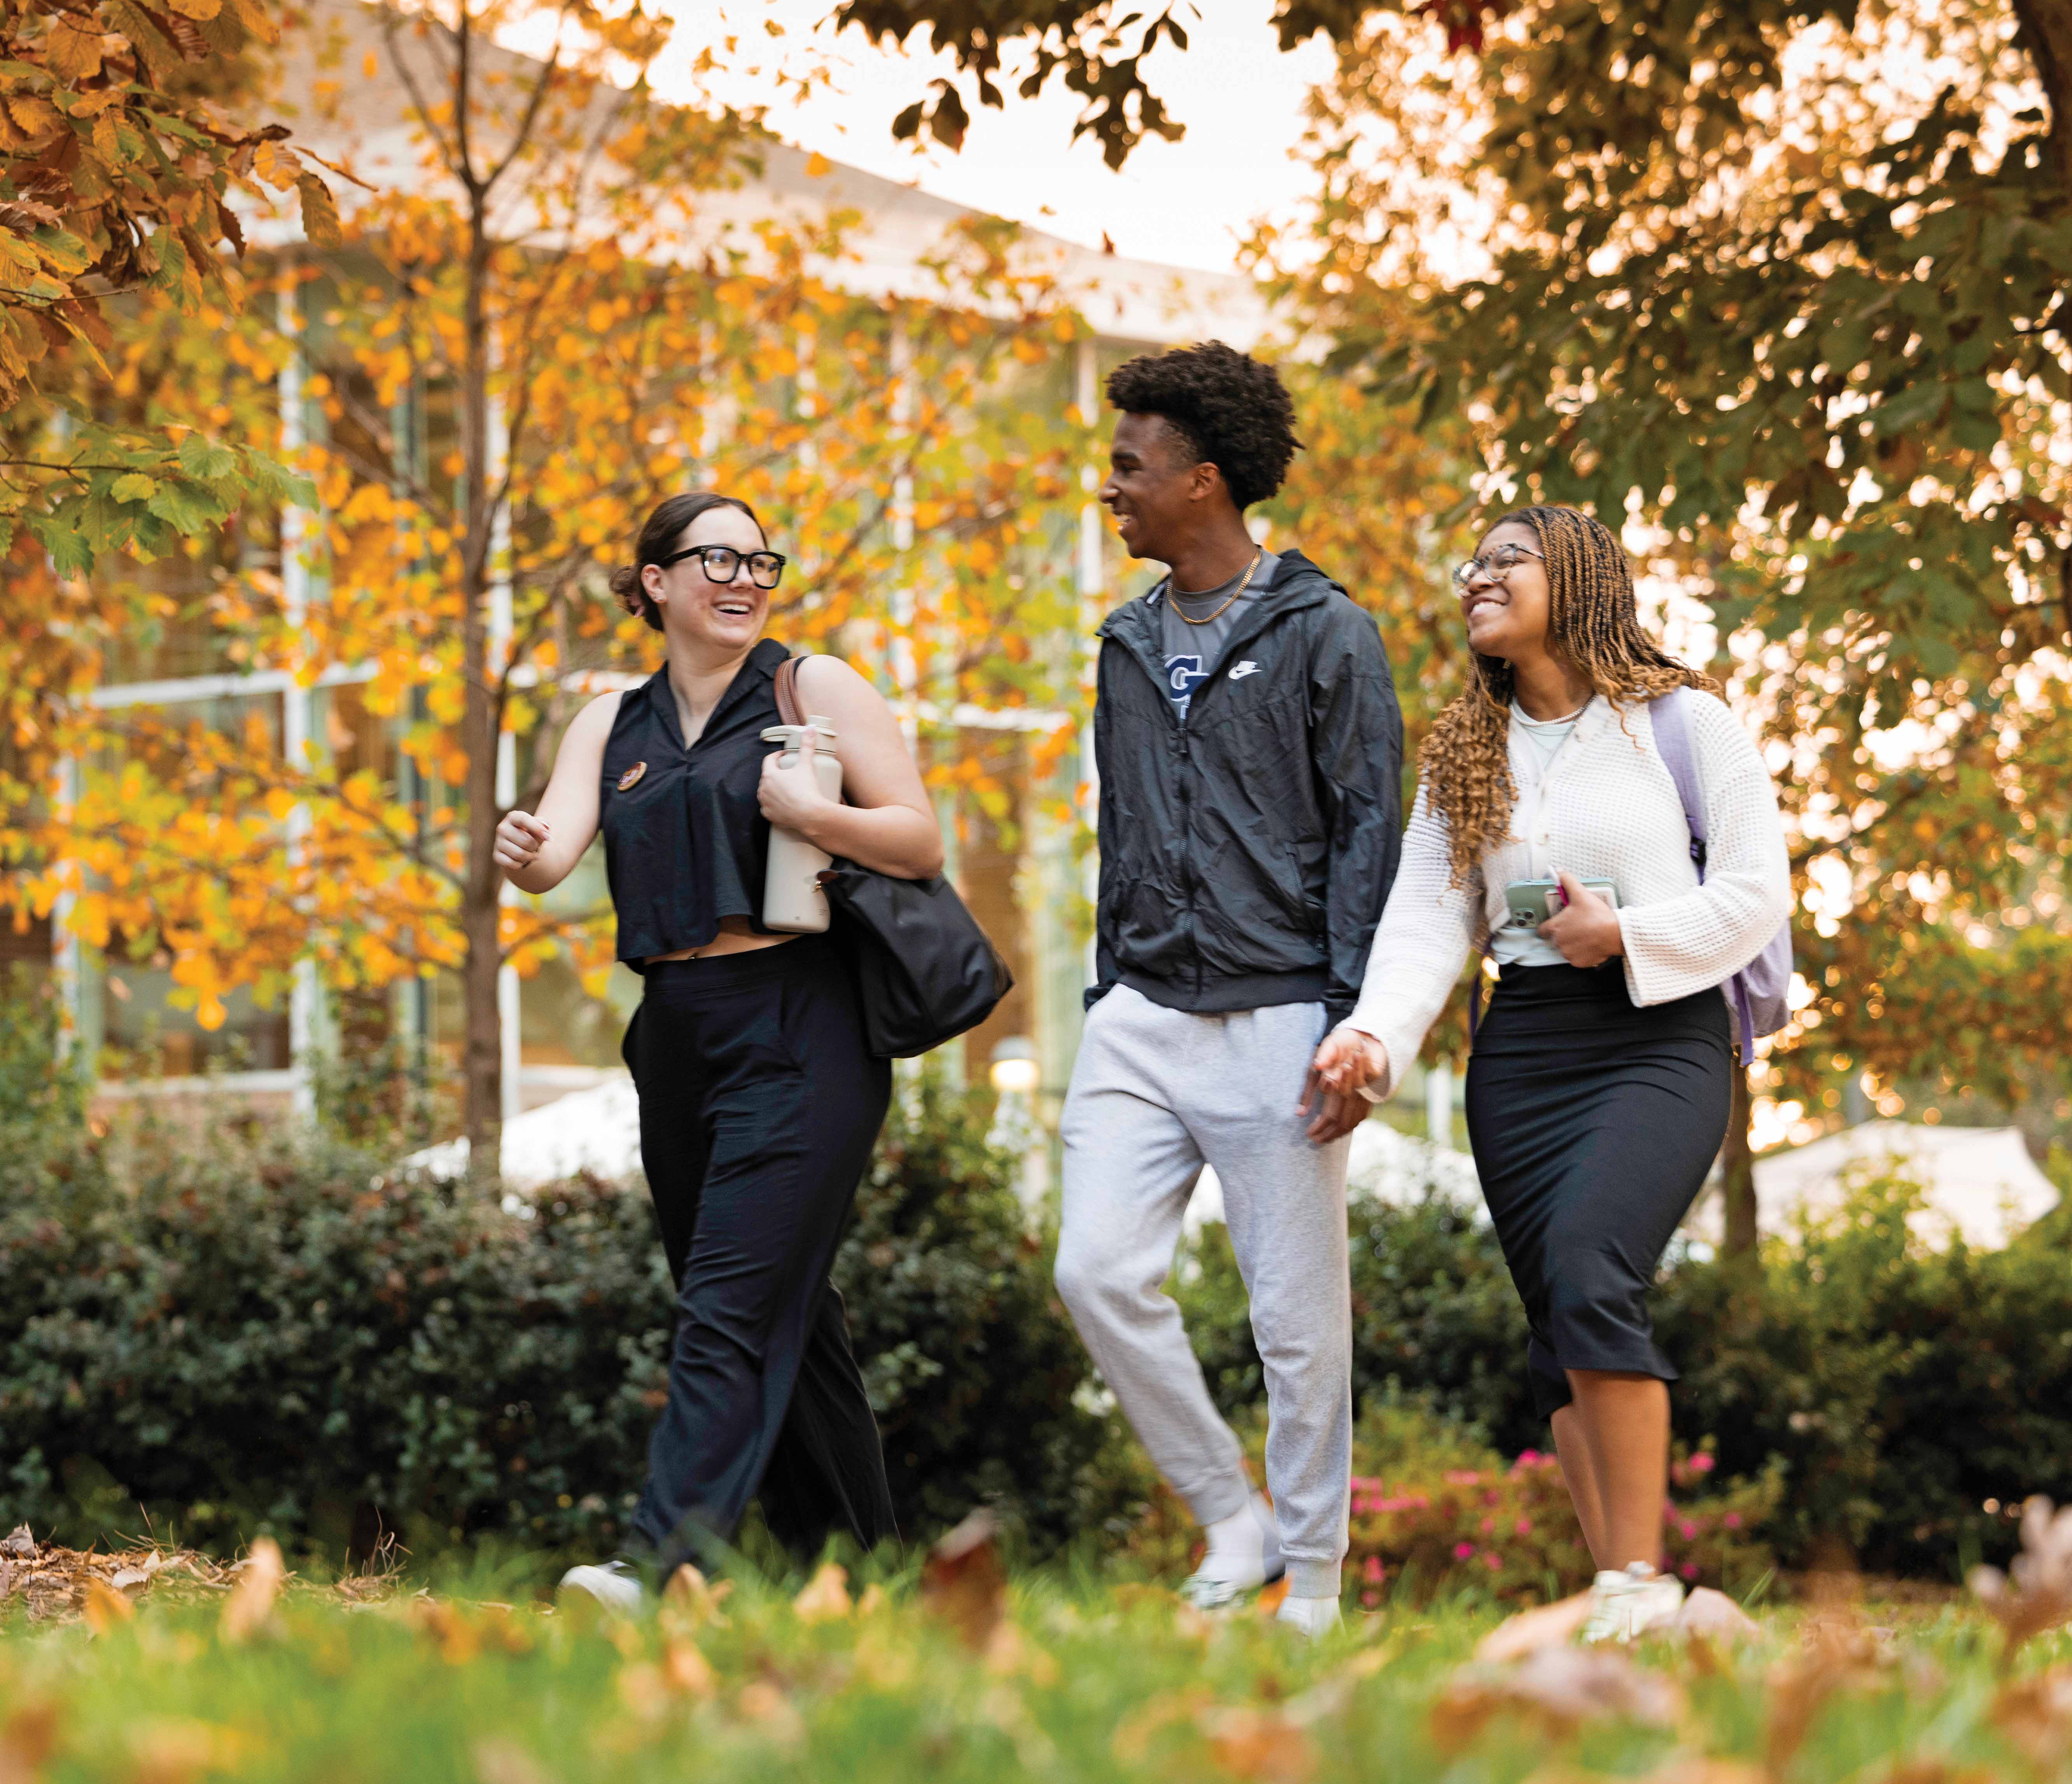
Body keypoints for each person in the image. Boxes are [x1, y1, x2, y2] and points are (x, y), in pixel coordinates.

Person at [1308, 505, 1792, 1642]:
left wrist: (1625, 935)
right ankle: (1627, 1592)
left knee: (1590, 1266)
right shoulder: (1468, 751)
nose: (1477, 576)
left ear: (1576, 579)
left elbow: (1758, 891)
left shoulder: (1684, 723)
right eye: (1470, 562)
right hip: (1521, 1052)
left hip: (1658, 1037)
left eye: (1506, 560)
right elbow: (1429, 917)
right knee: (1557, 1328)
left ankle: (1634, 1581)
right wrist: (1375, 1038)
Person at [494, 491, 944, 1617]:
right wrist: (520, 848)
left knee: (729, 1311)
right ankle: (864, 1575)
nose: (744, 578)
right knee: (772, 1304)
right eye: (717, 559)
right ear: (655, 582)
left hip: (804, 1022)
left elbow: (920, 837)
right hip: (678, 1036)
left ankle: (657, 1566)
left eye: (760, 560)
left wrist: (817, 813)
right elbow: (552, 856)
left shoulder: (814, 686)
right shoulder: (612, 721)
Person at [1053, 343, 1405, 1640]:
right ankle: (1230, 1513)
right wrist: (1106, 990)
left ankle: (1311, 1581)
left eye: (1132, 469)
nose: (1115, 491)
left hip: (1280, 1018)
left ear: (1205, 482)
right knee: (1094, 1270)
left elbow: (1373, 829)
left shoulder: (1328, 633)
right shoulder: (1125, 641)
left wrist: (1352, 1022)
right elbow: (1121, 827)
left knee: (1297, 1326)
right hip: (1141, 1012)